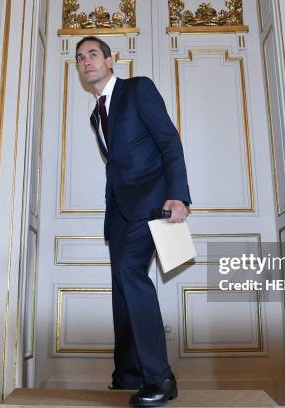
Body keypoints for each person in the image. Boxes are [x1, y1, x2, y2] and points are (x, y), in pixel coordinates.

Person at [75, 36, 191, 407]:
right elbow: (115, 169)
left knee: (130, 274)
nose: (86, 61)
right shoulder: (96, 113)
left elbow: (169, 141)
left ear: (110, 62)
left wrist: (179, 195)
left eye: (93, 54)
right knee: (122, 290)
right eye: (80, 58)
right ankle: (128, 375)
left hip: (152, 203)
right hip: (121, 215)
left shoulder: (138, 89)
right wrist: (110, 220)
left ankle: (160, 378)